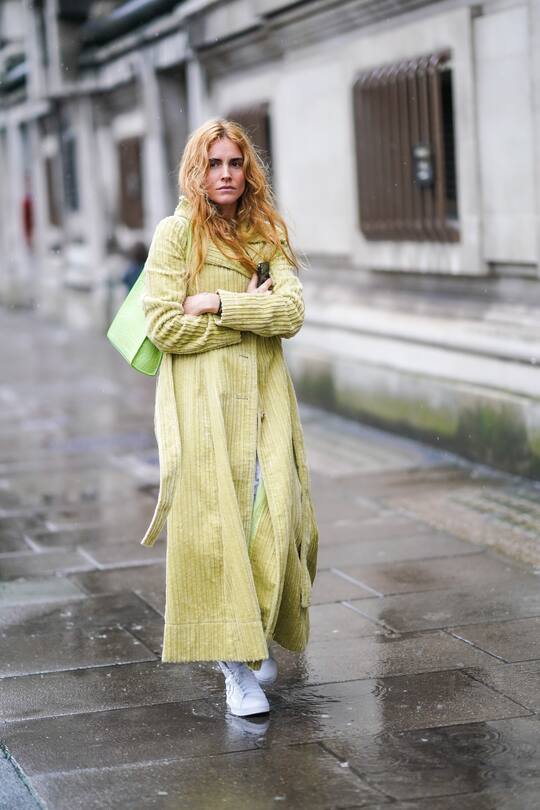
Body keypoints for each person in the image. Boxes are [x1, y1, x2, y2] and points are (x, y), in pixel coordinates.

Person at [139, 118, 318, 717]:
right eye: (213, 164)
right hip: (203, 406)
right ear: (197, 169)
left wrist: (215, 301)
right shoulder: (175, 235)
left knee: (274, 515)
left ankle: (254, 627)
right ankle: (233, 665)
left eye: (234, 164)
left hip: (265, 398)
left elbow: (290, 312)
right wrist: (249, 311)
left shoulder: (265, 232)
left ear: (248, 170)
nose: (225, 175)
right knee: (218, 528)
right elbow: (164, 325)